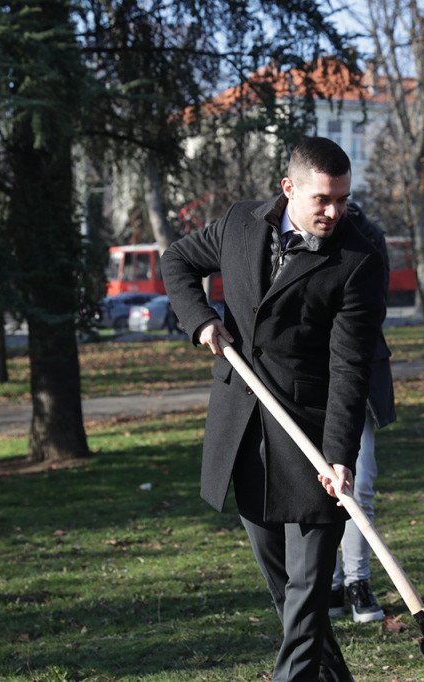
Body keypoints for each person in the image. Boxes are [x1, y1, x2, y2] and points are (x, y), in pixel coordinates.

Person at [160, 137, 385, 682]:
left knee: (307, 593)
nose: (334, 212)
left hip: (311, 436)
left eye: (343, 200)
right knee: (290, 596)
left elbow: (350, 366)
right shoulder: (240, 223)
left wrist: (340, 454)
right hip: (244, 430)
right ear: (289, 189)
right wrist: (201, 319)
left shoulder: (359, 257)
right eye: (322, 199)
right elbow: (178, 260)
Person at [328, 203, 397, 624]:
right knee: (319, 487)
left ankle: (357, 582)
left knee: (360, 480)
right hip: (309, 378)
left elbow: (374, 308)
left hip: (359, 375)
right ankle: (330, 585)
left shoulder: (367, 237)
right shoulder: (292, 239)